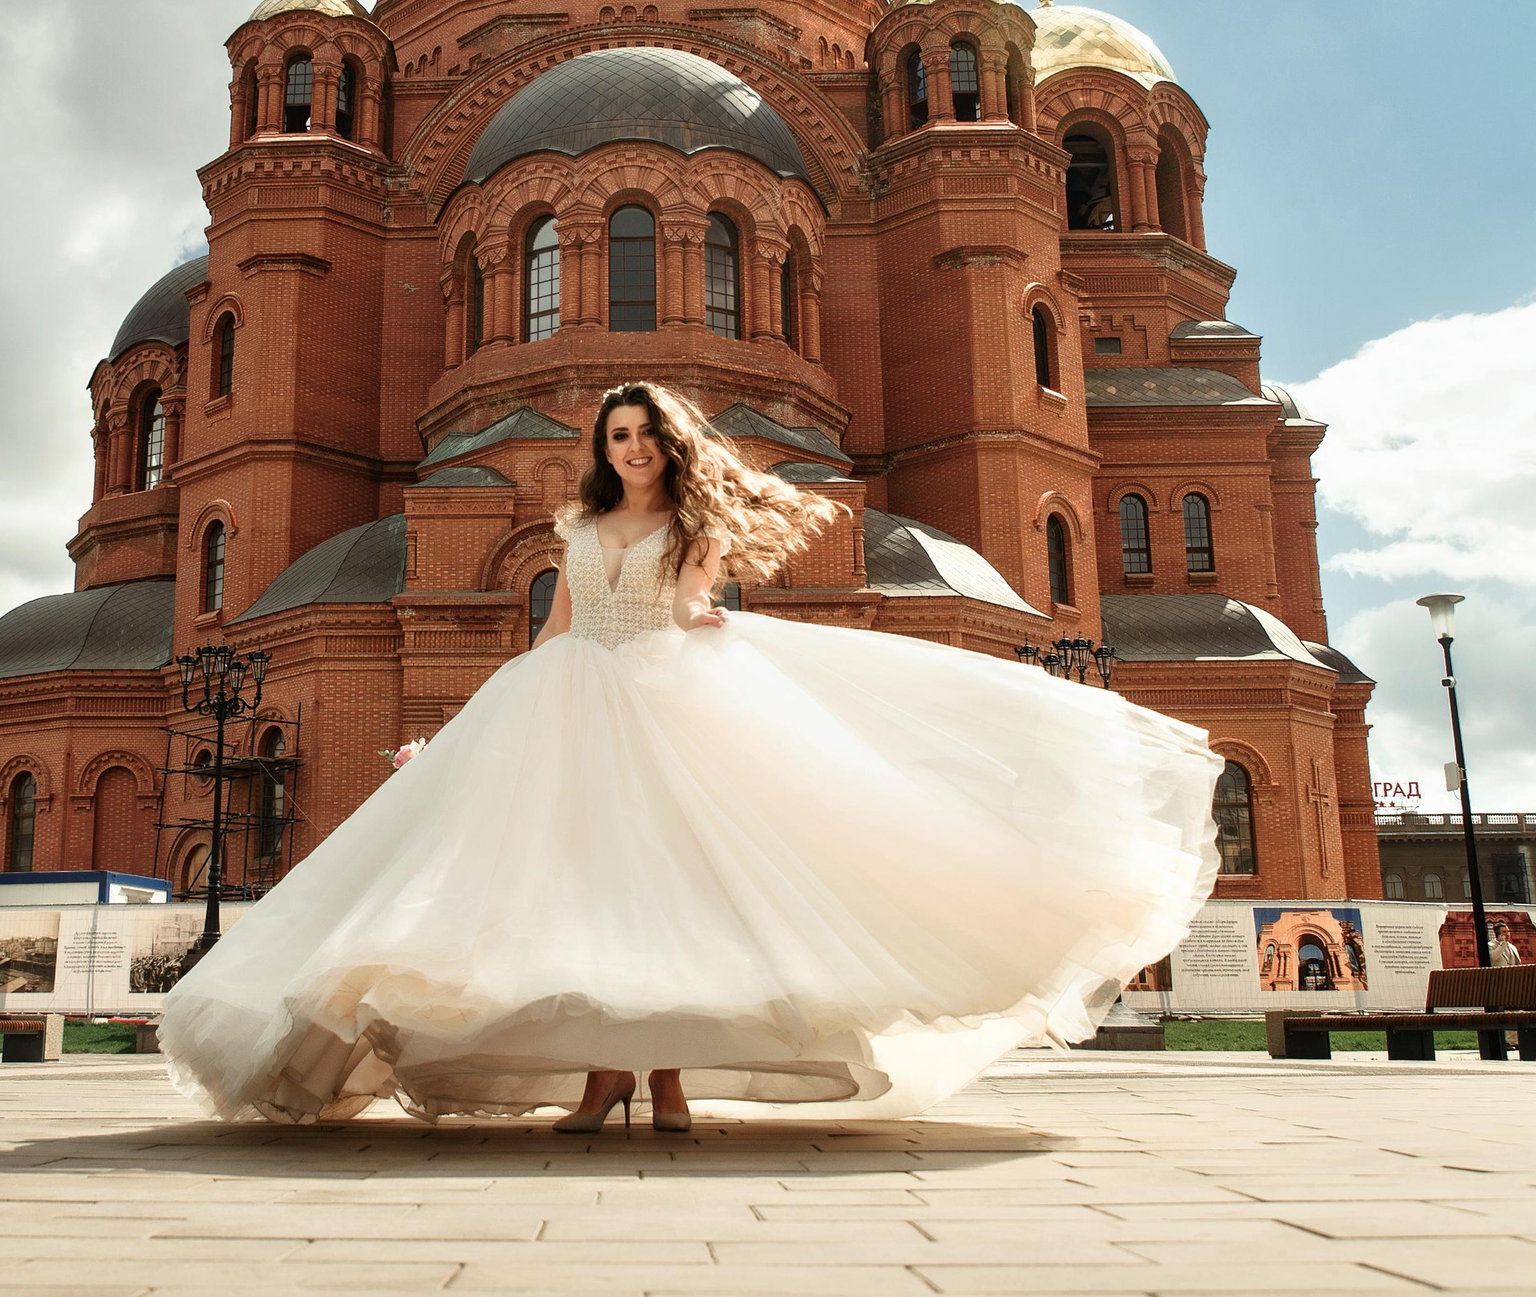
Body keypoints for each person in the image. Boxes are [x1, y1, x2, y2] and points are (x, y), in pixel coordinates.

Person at [158, 381, 1223, 1128]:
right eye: (616, 435)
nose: (630, 448)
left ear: (668, 443)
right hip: (565, 700)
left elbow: (685, 608)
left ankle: (661, 1080)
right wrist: (479, 729)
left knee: (673, 894)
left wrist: (702, 615)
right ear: (603, 447)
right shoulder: (576, 525)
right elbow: (555, 627)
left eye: (644, 434)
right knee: (579, 893)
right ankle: (602, 1078)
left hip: (664, 700)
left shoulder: (696, 526)